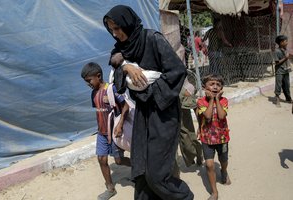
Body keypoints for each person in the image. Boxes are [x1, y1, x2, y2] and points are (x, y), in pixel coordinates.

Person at [103, 5, 194, 200]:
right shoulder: (123, 47)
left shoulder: (152, 39)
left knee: (157, 174)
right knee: (141, 167)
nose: (115, 33)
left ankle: (184, 197)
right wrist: (127, 67)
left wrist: (148, 90)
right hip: (143, 112)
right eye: (111, 29)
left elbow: (177, 72)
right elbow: (114, 62)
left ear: (127, 24)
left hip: (164, 112)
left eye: (118, 28)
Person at [81, 62, 131, 200]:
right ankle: (110, 188)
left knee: (119, 161)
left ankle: (139, 169)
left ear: (98, 76)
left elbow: (125, 106)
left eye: (89, 80)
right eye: (86, 82)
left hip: (114, 133)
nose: (88, 84)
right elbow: (100, 112)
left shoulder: (111, 89)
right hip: (102, 133)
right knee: (101, 159)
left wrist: (120, 125)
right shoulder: (93, 94)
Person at [196, 74, 231, 200]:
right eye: (212, 84)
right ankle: (214, 192)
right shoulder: (201, 101)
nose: (215, 87)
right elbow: (207, 116)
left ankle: (224, 171)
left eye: (218, 84)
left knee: (224, 160)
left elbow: (222, 116)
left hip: (222, 138)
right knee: (209, 165)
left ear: (221, 88)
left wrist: (216, 99)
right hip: (207, 138)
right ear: (205, 87)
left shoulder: (224, 100)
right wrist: (211, 100)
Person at [273, 35, 293, 107]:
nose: (287, 42)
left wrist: (288, 56)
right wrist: (285, 58)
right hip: (279, 71)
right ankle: (277, 98)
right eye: (286, 41)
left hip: (286, 70)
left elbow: (288, 56)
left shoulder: (285, 50)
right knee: (278, 85)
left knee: (286, 85)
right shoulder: (277, 51)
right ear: (281, 43)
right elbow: (277, 62)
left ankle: (288, 98)